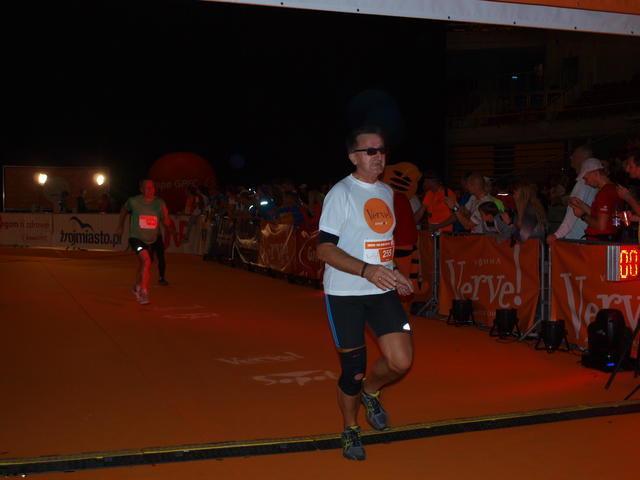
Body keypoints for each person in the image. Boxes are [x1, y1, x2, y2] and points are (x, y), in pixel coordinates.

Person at [316, 126, 414, 461]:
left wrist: (395, 273)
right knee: (352, 372)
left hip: (381, 290)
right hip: (345, 294)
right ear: (353, 157)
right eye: (370, 151)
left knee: (401, 361)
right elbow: (324, 249)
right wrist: (366, 270)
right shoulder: (340, 193)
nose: (378, 156)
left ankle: (371, 391)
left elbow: (381, 246)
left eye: (382, 150)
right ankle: (350, 427)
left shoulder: (386, 192)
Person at [116, 179, 174, 304]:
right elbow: (124, 210)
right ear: (141, 190)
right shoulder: (133, 201)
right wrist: (120, 226)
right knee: (146, 261)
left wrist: (169, 225)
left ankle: (137, 286)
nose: (150, 190)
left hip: (152, 240)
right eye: (147, 188)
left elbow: (165, 220)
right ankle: (143, 292)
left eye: (152, 187)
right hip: (136, 238)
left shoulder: (159, 203)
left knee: (145, 264)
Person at [547, 145, 597, 244]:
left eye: (574, 155)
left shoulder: (583, 183)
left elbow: (572, 214)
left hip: (578, 239)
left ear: (583, 159)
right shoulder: (588, 183)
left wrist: (557, 235)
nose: (571, 158)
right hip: (582, 237)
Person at [568, 158, 624, 242]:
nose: (586, 183)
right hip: (609, 239)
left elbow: (601, 227)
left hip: (600, 242)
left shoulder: (605, 192)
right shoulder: (613, 188)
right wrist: (581, 204)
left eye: (586, 178)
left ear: (596, 174)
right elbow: (601, 216)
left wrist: (582, 215)